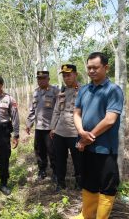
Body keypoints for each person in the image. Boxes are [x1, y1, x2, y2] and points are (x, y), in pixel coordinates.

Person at [71, 52, 124, 219]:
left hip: (105, 149)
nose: (91, 71)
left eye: (95, 67)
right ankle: (86, 215)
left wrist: (88, 137)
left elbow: (110, 120)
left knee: (107, 187)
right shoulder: (84, 89)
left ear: (106, 67)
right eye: (89, 68)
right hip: (87, 148)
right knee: (88, 184)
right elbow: (76, 113)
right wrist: (80, 132)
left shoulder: (113, 90)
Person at [49, 64, 82, 192]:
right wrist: (53, 128)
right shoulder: (61, 92)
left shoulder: (83, 91)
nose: (66, 78)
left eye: (68, 75)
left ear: (75, 74)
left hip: (75, 132)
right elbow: (56, 111)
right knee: (60, 159)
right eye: (64, 75)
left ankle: (79, 182)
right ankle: (60, 183)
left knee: (78, 160)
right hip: (60, 131)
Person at [26, 71, 59, 180]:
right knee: (39, 151)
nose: (41, 81)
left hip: (51, 128)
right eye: (39, 79)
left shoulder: (55, 91)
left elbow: (59, 110)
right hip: (39, 128)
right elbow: (32, 110)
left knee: (52, 151)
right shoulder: (36, 92)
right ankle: (42, 170)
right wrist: (29, 124)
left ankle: (55, 171)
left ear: (48, 79)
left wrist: (55, 127)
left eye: (43, 78)